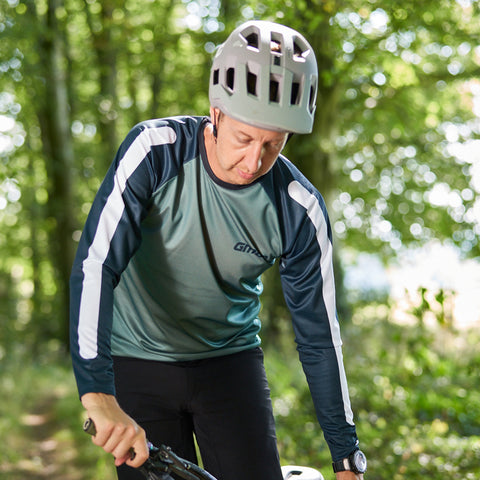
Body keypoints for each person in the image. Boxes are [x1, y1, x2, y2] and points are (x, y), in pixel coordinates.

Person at [70, 20, 367, 480]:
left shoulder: (298, 207)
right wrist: (96, 393)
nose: (254, 162)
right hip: (137, 360)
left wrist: (346, 455)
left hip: (229, 363)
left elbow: (319, 335)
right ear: (216, 113)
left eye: (273, 146)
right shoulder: (155, 152)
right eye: (244, 139)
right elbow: (96, 265)